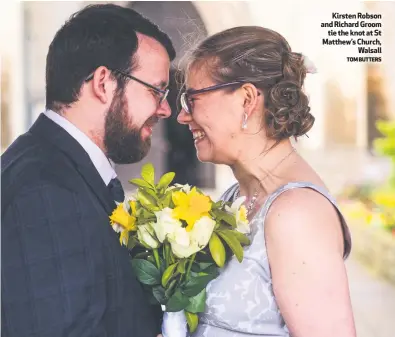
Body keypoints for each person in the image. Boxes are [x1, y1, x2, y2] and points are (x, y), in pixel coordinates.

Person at [1, 4, 174, 337]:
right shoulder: (46, 190)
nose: (165, 109)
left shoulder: (54, 168)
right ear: (104, 83)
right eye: (156, 90)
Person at [177, 26, 356, 337]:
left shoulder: (297, 215)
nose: (182, 116)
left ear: (247, 99)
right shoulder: (237, 196)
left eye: (192, 98)